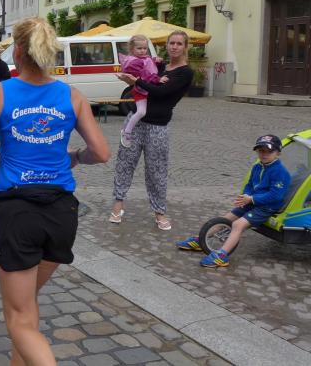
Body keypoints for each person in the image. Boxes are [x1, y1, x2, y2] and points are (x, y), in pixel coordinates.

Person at [0, 17, 109, 366]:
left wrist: (2, 149)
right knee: (27, 305)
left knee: (17, 318)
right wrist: (75, 157)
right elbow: (101, 153)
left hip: (19, 212)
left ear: (17, 51)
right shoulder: (71, 95)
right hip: (62, 213)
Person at [110, 30, 194, 230]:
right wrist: (134, 78)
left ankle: (160, 212)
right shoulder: (160, 65)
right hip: (135, 121)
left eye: (179, 43)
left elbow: (161, 92)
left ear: (185, 47)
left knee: (156, 171)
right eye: (171, 43)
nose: (174, 47)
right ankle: (118, 205)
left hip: (158, 126)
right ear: (166, 45)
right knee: (124, 163)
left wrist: (135, 82)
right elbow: (142, 75)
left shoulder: (185, 72)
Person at [177, 135, 291, 268]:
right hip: (252, 201)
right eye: (261, 151)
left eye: (269, 151)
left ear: (278, 153)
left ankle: (222, 255)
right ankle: (200, 240)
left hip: (267, 207)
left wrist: (252, 199)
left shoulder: (280, 172)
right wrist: (246, 196)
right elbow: (250, 184)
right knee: (226, 218)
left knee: (237, 225)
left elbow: (276, 195)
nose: (264, 154)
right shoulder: (257, 166)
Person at [119, 35, 162, 148]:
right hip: (140, 91)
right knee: (141, 112)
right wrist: (158, 79)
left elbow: (147, 63)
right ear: (132, 49)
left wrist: (155, 61)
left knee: (148, 111)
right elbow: (145, 74)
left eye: (145, 48)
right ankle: (126, 132)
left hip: (146, 89)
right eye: (139, 48)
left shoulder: (142, 58)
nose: (143, 51)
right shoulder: (133, 62)